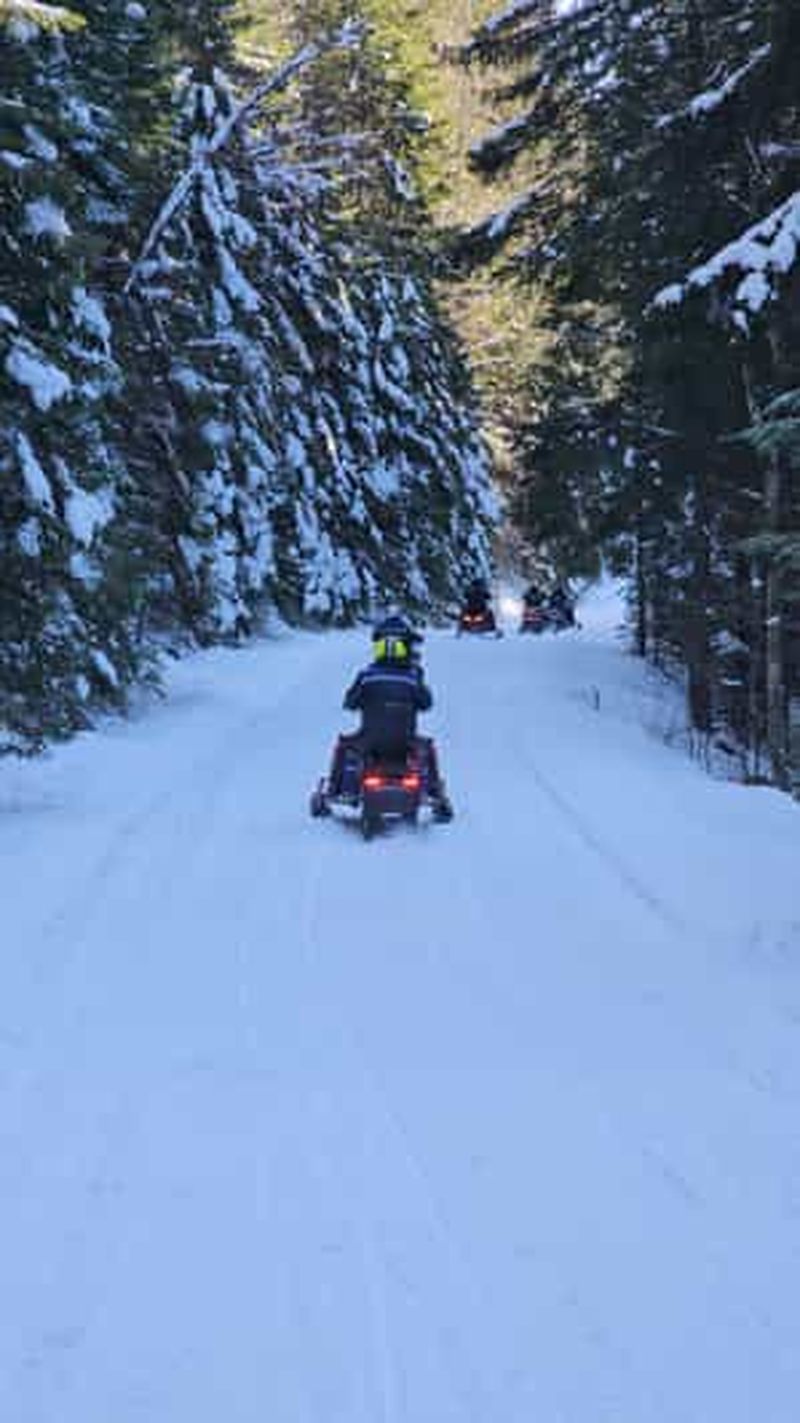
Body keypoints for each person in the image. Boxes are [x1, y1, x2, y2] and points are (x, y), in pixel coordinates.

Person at [328, 629, 452, 819]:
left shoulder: (366, 676)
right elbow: (427, 704)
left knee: (343, 746)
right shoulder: (412, 677)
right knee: (428, 748)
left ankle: (334, 791)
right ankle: (436, 795)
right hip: (405, 742)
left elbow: (349, 703)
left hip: (369, 741)